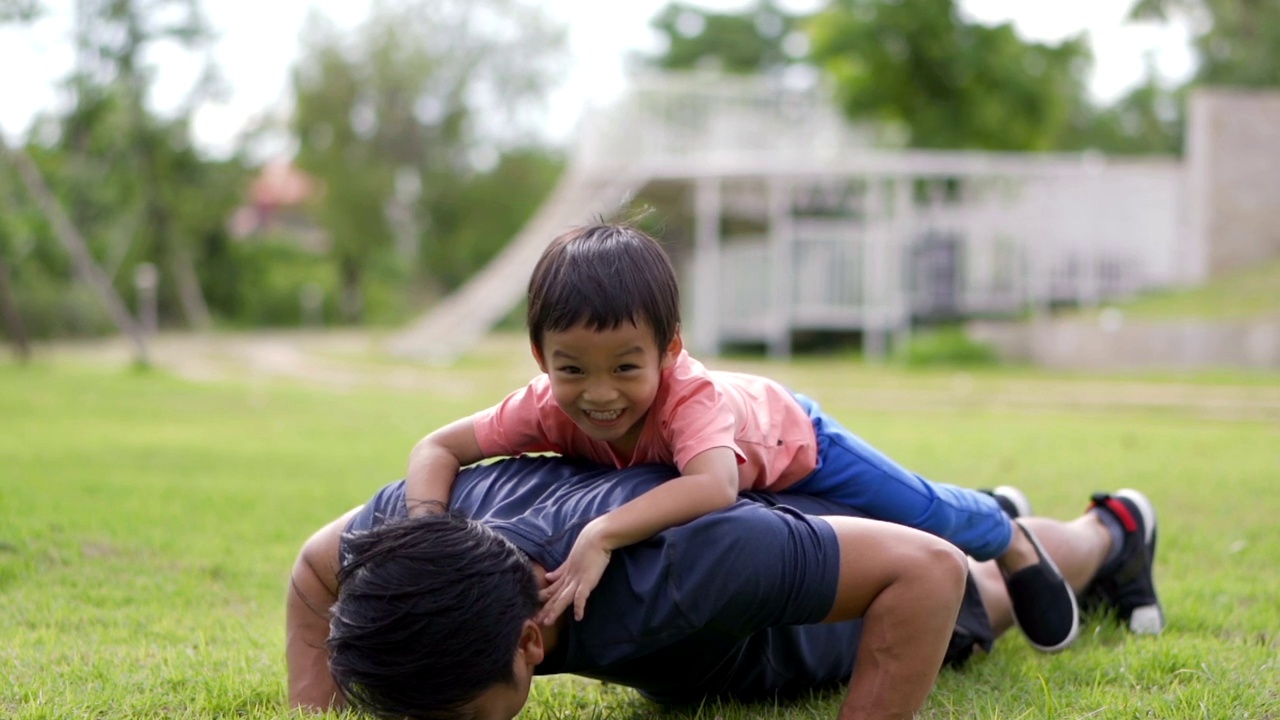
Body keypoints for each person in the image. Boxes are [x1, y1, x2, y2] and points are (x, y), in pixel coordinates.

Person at [401, 223, 1077, 652]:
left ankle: (1008, 533)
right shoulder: (546, 403)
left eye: (627, 367)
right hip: (753, 473)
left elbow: (714, 485)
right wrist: (428, 533)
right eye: (573, 368)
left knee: (921, 514)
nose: (600, 394)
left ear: (670, 350)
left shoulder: (686, 396)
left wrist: (601, 532)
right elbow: (438, 448)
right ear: (540, 354)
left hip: (797, 441)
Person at [287, 456, 1165, 720]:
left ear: (528, 642)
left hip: (809, 624)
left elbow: (921, 575)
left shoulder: (689, 565)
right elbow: (313, 568)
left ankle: (1113, 532)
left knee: (977, 588)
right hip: (769, 542)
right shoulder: (421, 528)